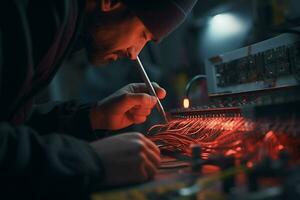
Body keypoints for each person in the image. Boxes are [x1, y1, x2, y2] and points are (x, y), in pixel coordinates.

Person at [0, 0, 197, 199]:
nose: (133, 53)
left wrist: (91, 117)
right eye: (142, 35)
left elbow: (13, 122)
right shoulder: (31, 12)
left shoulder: (60, 20)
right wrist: (90, 160)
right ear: (110, 2)